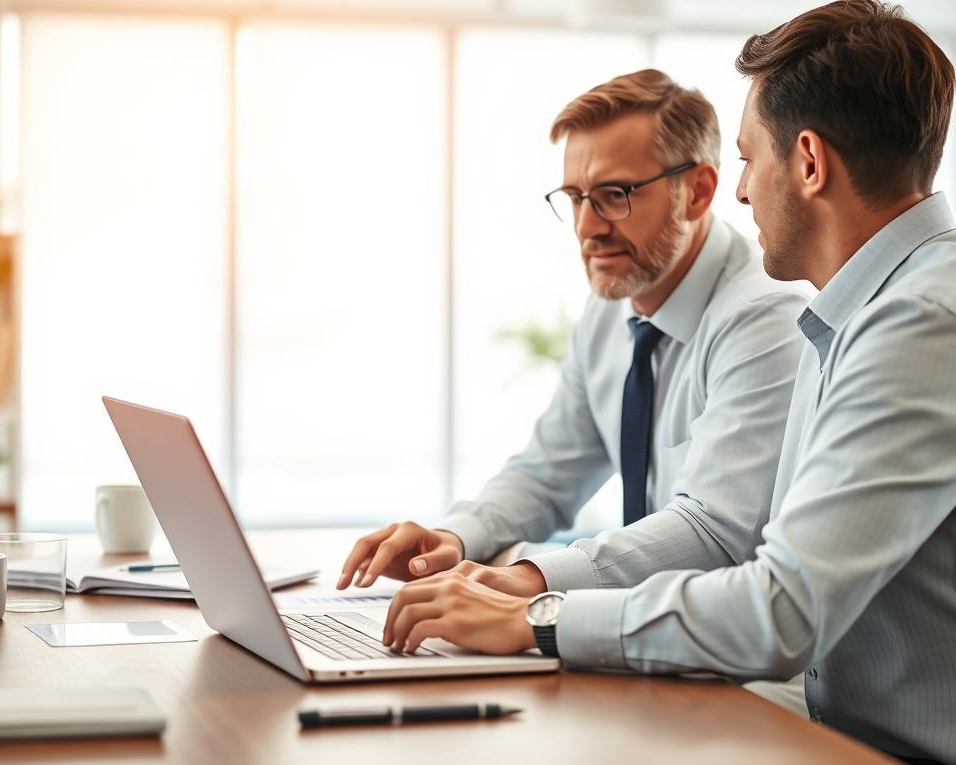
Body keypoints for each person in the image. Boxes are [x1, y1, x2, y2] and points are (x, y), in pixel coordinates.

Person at [381, 2, 956, 764]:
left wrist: (538, 614)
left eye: (750, 160)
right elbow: (552, 467)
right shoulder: (854, 309)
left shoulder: (916, 322)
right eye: (576, 199)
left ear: (809, 162)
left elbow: (776, 606)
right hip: (829, 728)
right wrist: (470, 549)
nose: (745, 194)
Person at [338, 70, 810, 711]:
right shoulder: (614, 307)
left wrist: (523, 583)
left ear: (697, 191)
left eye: (615, 195)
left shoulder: (765, 314)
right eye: (575, 197)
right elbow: (547, 473)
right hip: (642, 665)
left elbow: (712, 534)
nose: (588, 227)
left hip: (744, 687)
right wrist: (454, 540)